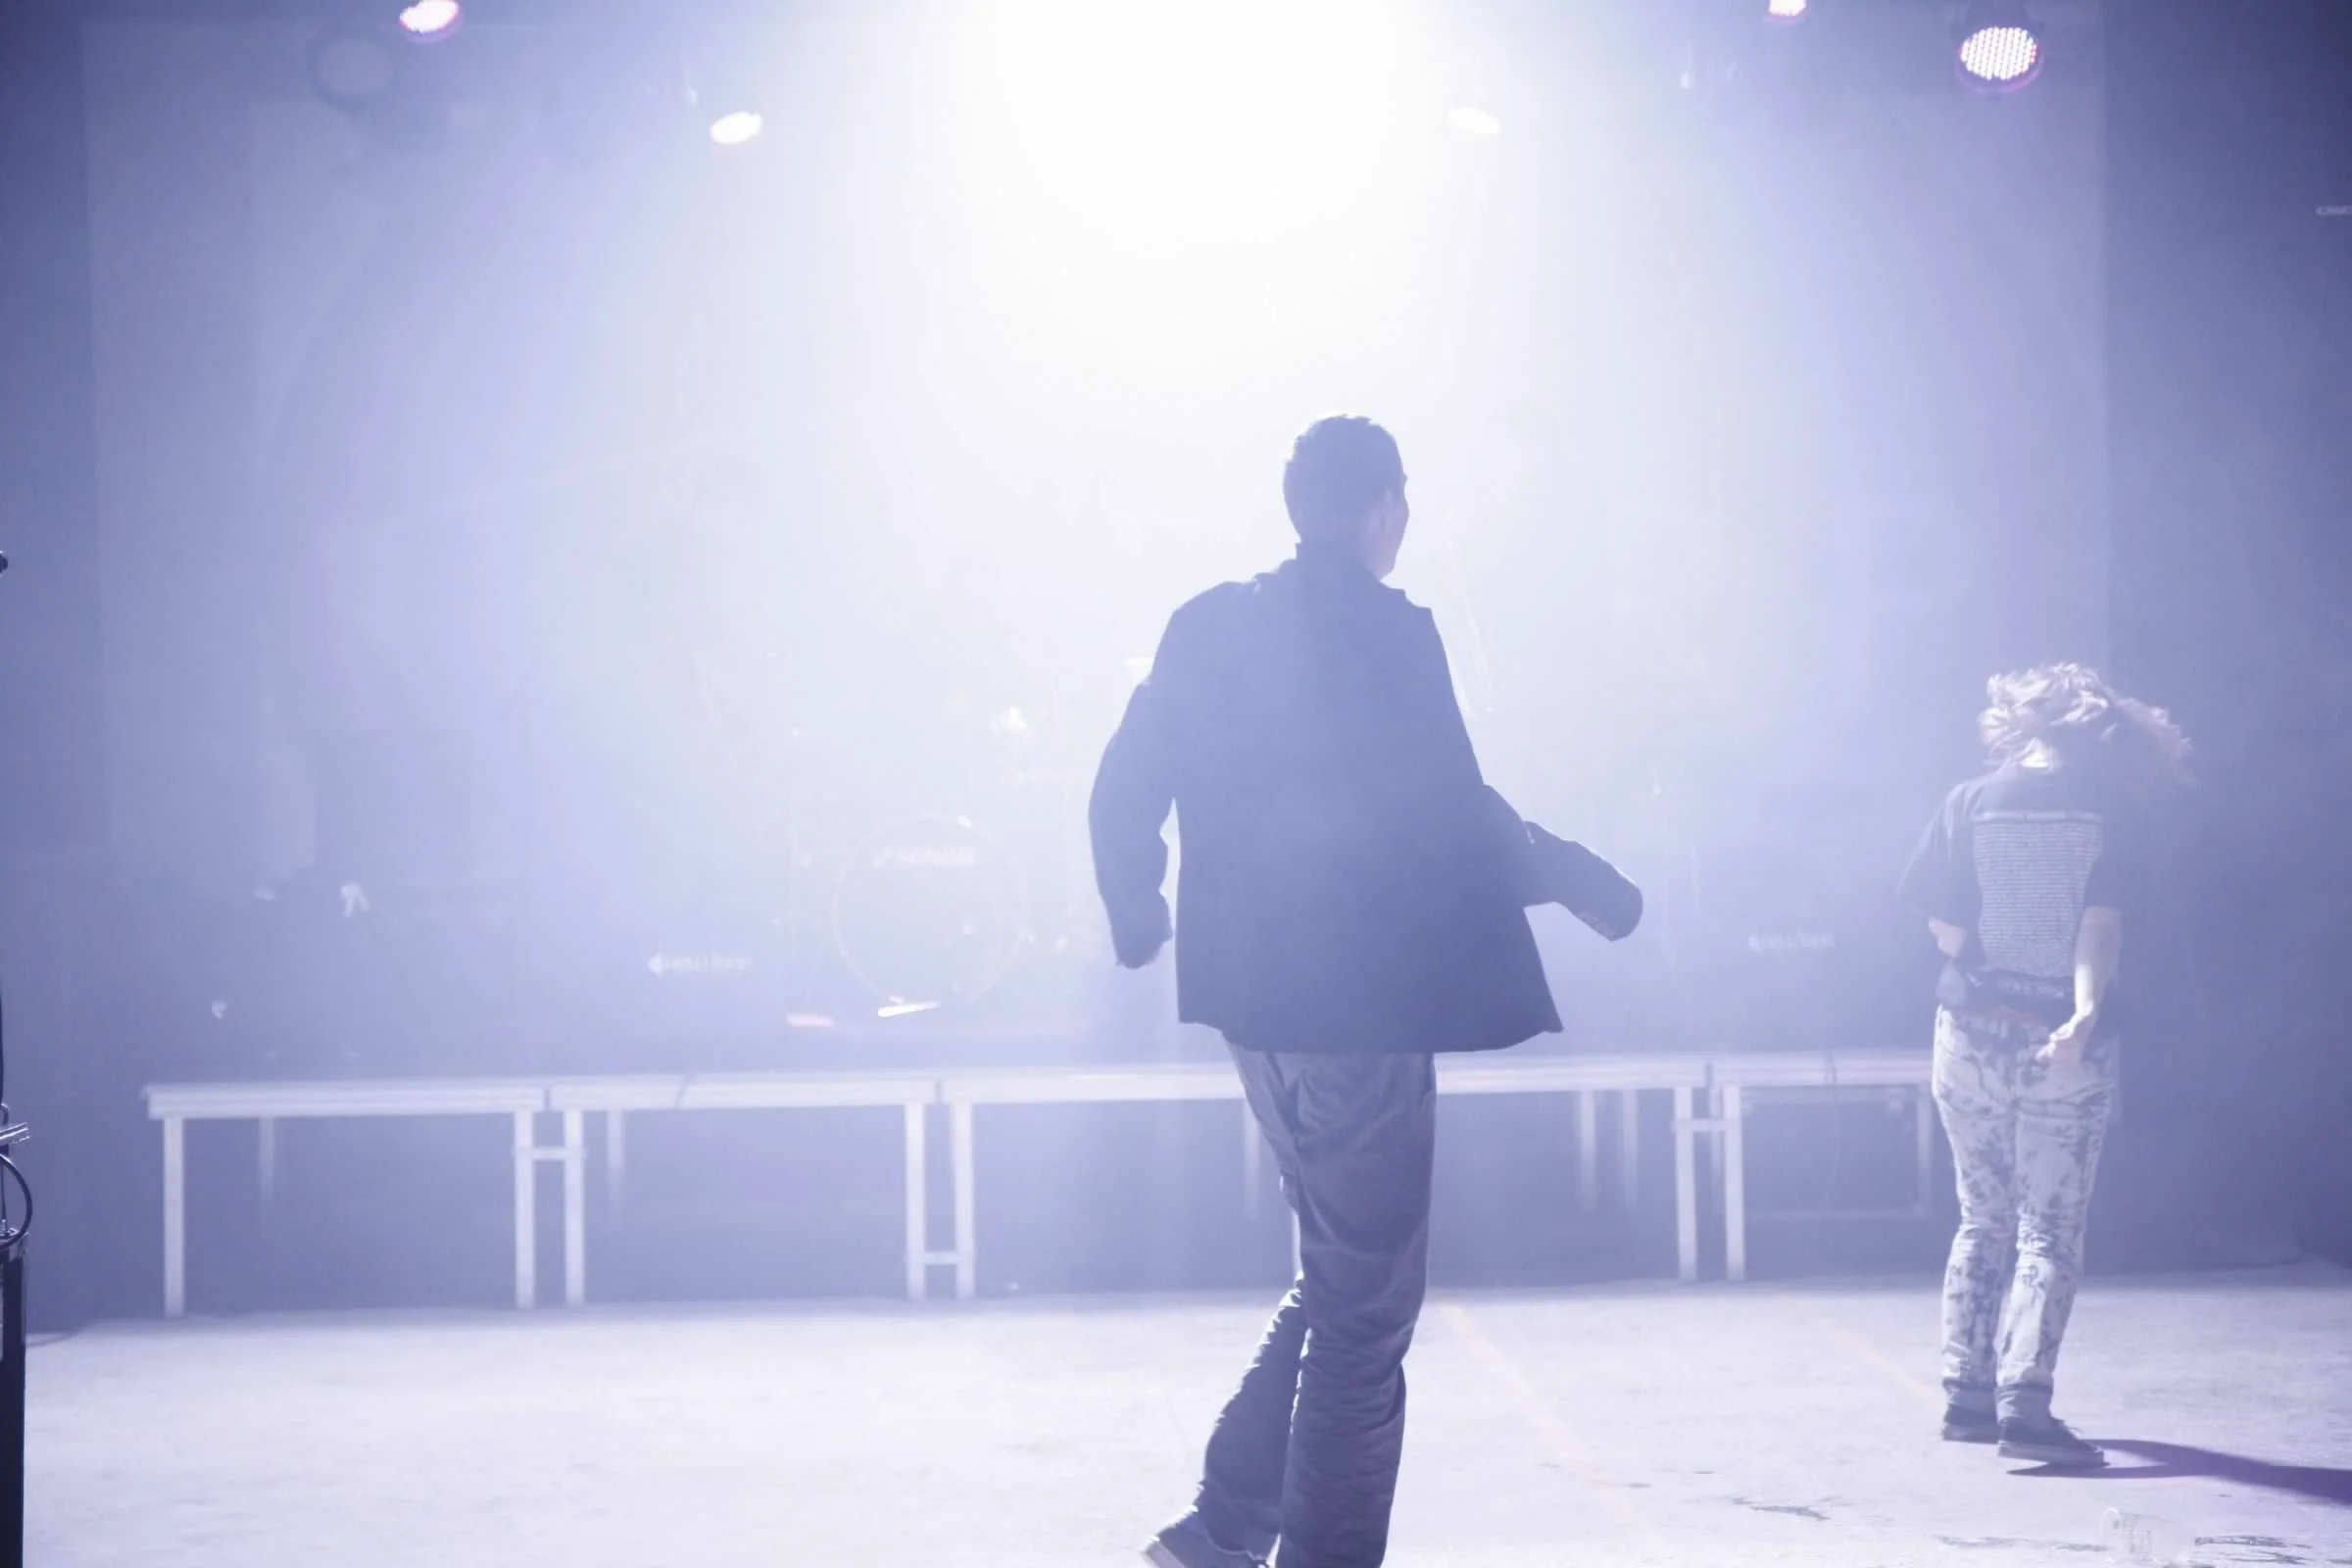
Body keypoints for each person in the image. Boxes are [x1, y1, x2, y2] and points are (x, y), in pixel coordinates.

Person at [1090, 415, 1634, 1568]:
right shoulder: (1388, 633)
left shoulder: (1207, 621)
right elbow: (1453, 810)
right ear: (1386, 510)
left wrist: (1138, 909)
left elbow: (1127, 776)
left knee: (1342, 1278)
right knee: (1366, 1313)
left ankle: (1220, 1530)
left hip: (1251, 1010)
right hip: (1353, 1010)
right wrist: (1581, 879)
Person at [1898, 663, 2191, 1469]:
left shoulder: (1969, 801)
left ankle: (1966, 1397)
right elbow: (2100, 930)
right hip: (2063, 1043)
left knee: (1981, 1218)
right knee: (2048, 1230)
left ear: (2020, 722)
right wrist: (2083, 1015)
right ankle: (2024, 1404)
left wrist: (1993, 959)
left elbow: (1943, 928)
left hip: (1969, 1036)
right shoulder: (2110, 812)